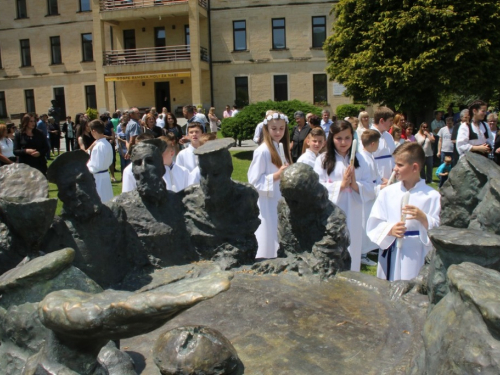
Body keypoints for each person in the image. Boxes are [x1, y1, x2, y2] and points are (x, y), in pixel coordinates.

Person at [367, 142, 441, 281]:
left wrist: (424, 218)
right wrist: (390, 229)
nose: (395, 169)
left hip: (416, 252)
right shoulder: (387, 193)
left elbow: (438, 228)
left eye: (400, 165)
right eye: (395, 164)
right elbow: (374, 221)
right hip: (391, 249)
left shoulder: (431, 196)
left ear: (415, 167)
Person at [314, 120, 375, 272]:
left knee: (352, 246)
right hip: (331, 212)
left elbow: (370, 187)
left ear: (353, 138)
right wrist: (340, 186)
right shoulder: (323, 160)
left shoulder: (361, 160)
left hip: (353, 213)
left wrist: (355, 184)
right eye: (339, 138)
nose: (343, 142)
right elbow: (316, 187)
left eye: (347, 138)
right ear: (332, 138)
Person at [248, 111, 292, 259]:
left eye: (281, 128)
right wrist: (276, 176)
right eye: (274, 129)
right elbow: (254, 181)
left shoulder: (281, 148)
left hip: (279, 200)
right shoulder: (262, 152)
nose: (278, 132)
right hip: (267, 203)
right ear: (266, 129)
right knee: (268, 236)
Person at [86, 120, 113, 203]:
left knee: (100, 200)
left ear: (94, 131)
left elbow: (95, 166)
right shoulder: (107, 143)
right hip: (105, 175)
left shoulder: (98, 147)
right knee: (107, 199)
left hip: (98, 178)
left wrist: (86, 166)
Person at [367, 106, 396, 181]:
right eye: (390, 121)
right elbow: (367, 160)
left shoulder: (389, 136)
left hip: (390, 178)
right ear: (382, 121)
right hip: (375, 180)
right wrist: (380, 178)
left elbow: (393, 155)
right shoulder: (369, 135)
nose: (392, 124)